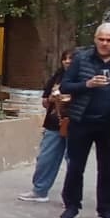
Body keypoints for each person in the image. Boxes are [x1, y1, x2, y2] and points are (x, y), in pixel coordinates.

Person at [57, 22, 110, 218]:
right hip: (82, 120)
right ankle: (71, 206)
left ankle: (106, 210)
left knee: (107, 169)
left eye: (109, 40)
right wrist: (87, 84)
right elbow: (65, 85)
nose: (105, 43)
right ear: (95, 38)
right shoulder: (81, 59)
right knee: (76, 166)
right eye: (101, 39)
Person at [18, 48, 75, 202]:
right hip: (53, 123)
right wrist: (52, 99)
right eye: (65, 58)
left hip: (74, 123)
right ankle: (39, 190)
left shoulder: (82, 78)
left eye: (71, 58)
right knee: (46, 158)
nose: (67, 61)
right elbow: (44, 100)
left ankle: (71, 198)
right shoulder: (57, 77)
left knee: (74, 161)